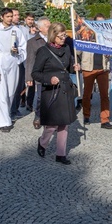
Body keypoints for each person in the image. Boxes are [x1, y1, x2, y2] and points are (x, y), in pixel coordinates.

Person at [32, 23, 80, 164]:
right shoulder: (43, 51)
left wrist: (76, 67)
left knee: (64, 124)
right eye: (61, 36)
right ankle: (42, 143)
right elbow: (35, 73)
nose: (64, 38)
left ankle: (61, 154)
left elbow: (69, 67)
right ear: (53, 35)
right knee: (52, 125)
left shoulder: (66, 48)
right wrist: (49, 79)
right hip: (51, 92)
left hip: (65, 90)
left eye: (65, 35)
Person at [0, 8, 27, 132]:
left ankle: (7, 115)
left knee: (11, 93)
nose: (10, 18)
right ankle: (3, 122)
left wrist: (18, 51)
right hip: (0, 62)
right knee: (1, 93)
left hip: (13, 61)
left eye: (11, 16)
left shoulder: (16, 31)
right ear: (2, 17)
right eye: (8, 16)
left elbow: (23, 46)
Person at [78, 13, 112, 129]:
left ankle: (105, 120)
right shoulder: (87, 34)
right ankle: (86, 116)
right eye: (98, 22)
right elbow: (78, 51)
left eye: (102, 22)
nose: (100, 24)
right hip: (88, 67)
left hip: (103, 68)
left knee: (104, 95)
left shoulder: (107, 35)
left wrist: (110, 53)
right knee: (87, 94)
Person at [26, 17, 50, 129]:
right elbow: (30, 60)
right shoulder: (32, 42)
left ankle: (51, 117)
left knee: (51, 97)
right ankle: (38, 116)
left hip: (52, 73)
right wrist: (28, 77)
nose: (49, 27)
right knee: (41, 97)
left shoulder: (54, 39)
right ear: (40, 28)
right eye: (46, 25)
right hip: (40, 74)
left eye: (50, 25)